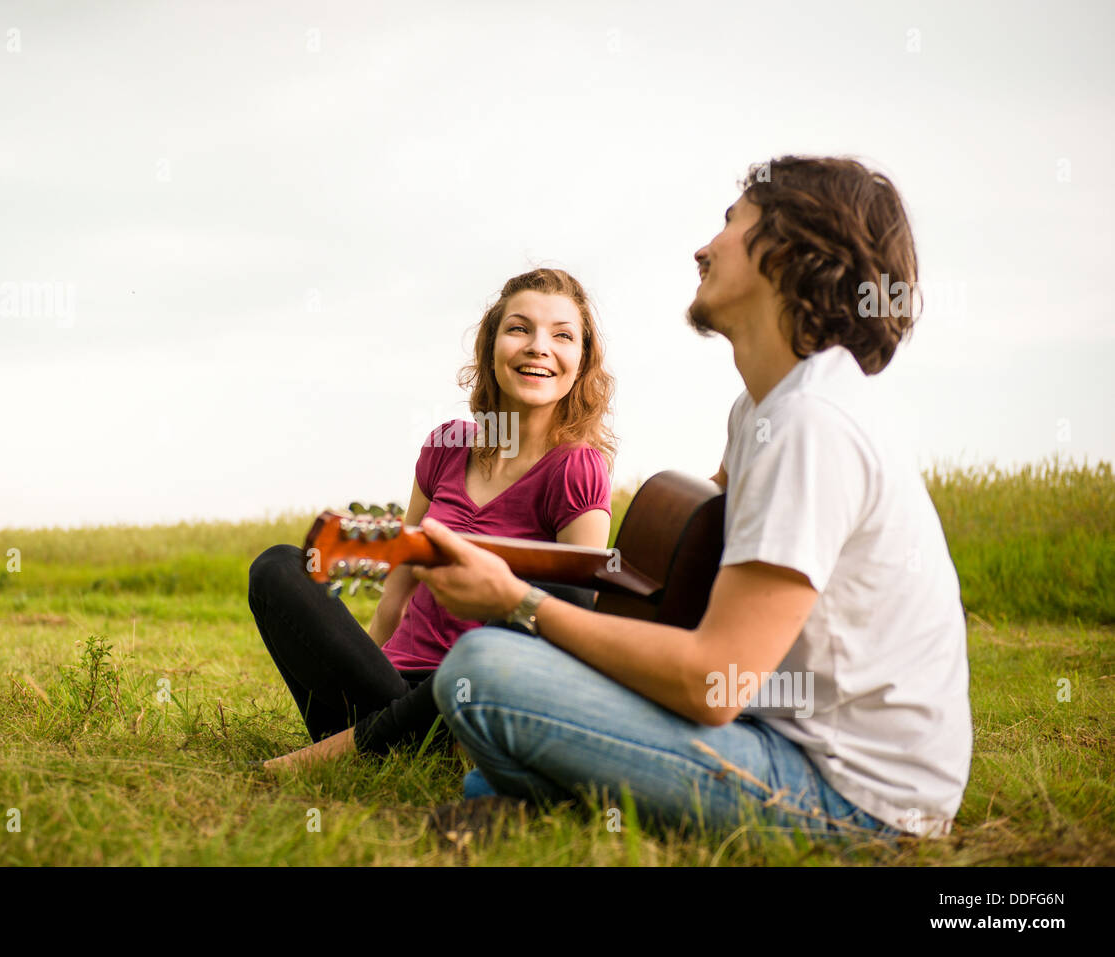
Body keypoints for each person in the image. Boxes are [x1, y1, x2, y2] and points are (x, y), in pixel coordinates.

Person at [419, 156, 973, 842]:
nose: (703, 247)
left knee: (483, 667)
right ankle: (560, 806)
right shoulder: (766, 409)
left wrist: (517, 600)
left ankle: (552, 801)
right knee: (507, 667)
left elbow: (714, 678)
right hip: (772, 734)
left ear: (787, 253)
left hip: (854, 801)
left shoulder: (812, 423)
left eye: (730, 223)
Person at [247, 268, 617, 772]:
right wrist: (355, 665)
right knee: (277, 568)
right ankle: (368, 739)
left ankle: (364, 750)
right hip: (388, 686)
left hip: (469, 704)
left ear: (581, 361)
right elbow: (393, 600)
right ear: (491, 346)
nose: (538, 346)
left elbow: (570, 635)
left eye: (562, 335)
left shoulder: (577, 469)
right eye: (519, 328)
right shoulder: (448, 446)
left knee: (544, 607)